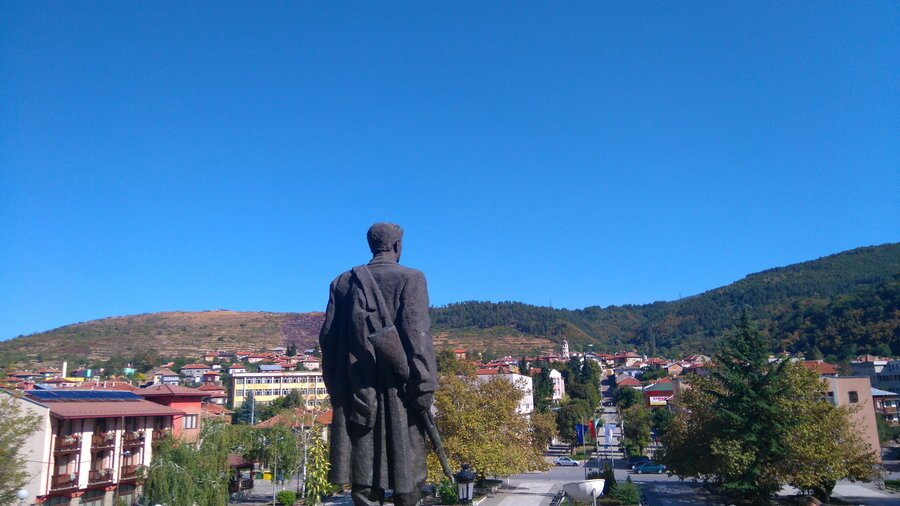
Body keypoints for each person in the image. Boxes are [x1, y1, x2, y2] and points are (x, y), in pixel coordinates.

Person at [319, 223, 437, 506]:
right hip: (400, 391)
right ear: (397, 245)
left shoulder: (342, 283)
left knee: (363, 481)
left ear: (371, 246)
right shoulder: (412, 278)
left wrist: (337, 390)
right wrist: (424, 387)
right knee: (406, 478)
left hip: (355, 388)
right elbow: (418, 335)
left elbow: (328, 341)